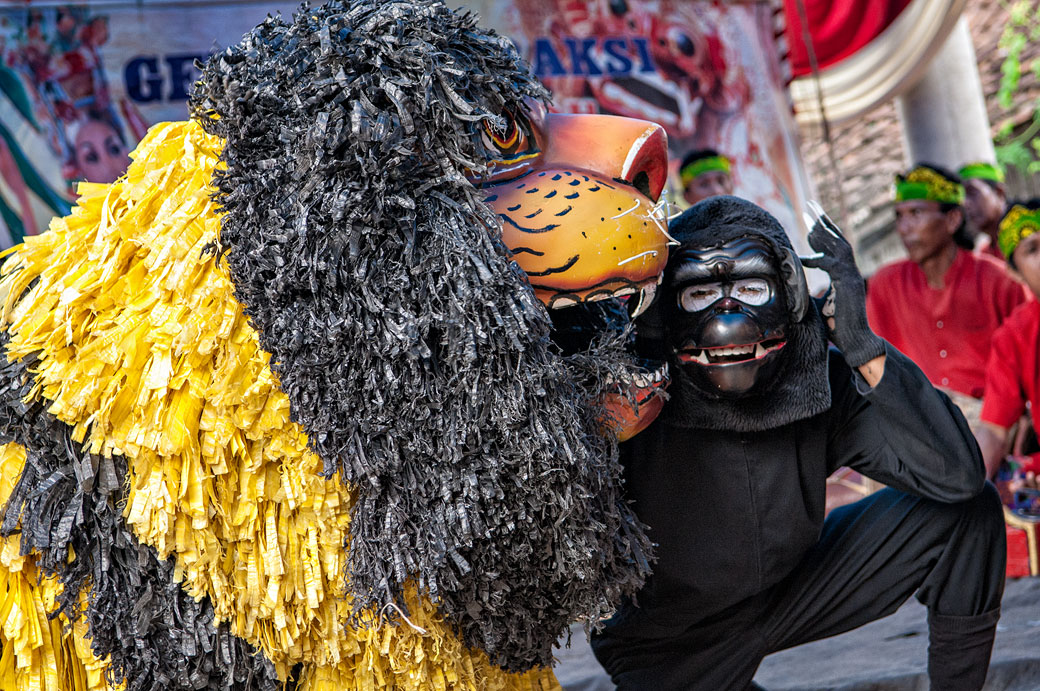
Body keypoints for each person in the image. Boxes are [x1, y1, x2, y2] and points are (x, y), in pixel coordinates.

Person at [590, 195, 1005, 691]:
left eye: (750, 287)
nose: (729, 315)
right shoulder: (632, 397)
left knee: (970, 511)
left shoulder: (814, 380)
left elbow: (957, 475)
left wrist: (862, 347)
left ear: (787, 295)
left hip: (793, 591)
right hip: (672, 641)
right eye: (701, 294)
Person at [866, 163, 1026, 427]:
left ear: (952, 219)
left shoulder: (998, 280)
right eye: (899, 216)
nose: (904, 228)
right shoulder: (885, 285)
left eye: (916, 213)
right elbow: (877, 368)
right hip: (921, 427)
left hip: (996, 423)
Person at [977, 200, 1040, 479]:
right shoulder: (1015, 335)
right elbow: (994, 428)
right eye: (1033, 249)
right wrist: (972, 490)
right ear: (1014, 273)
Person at [959, 161, 1008, 259]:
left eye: (972, 192)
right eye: (962, 197)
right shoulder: (984, 255)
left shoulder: (1031, 238)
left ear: (999, 192)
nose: (965, 203)